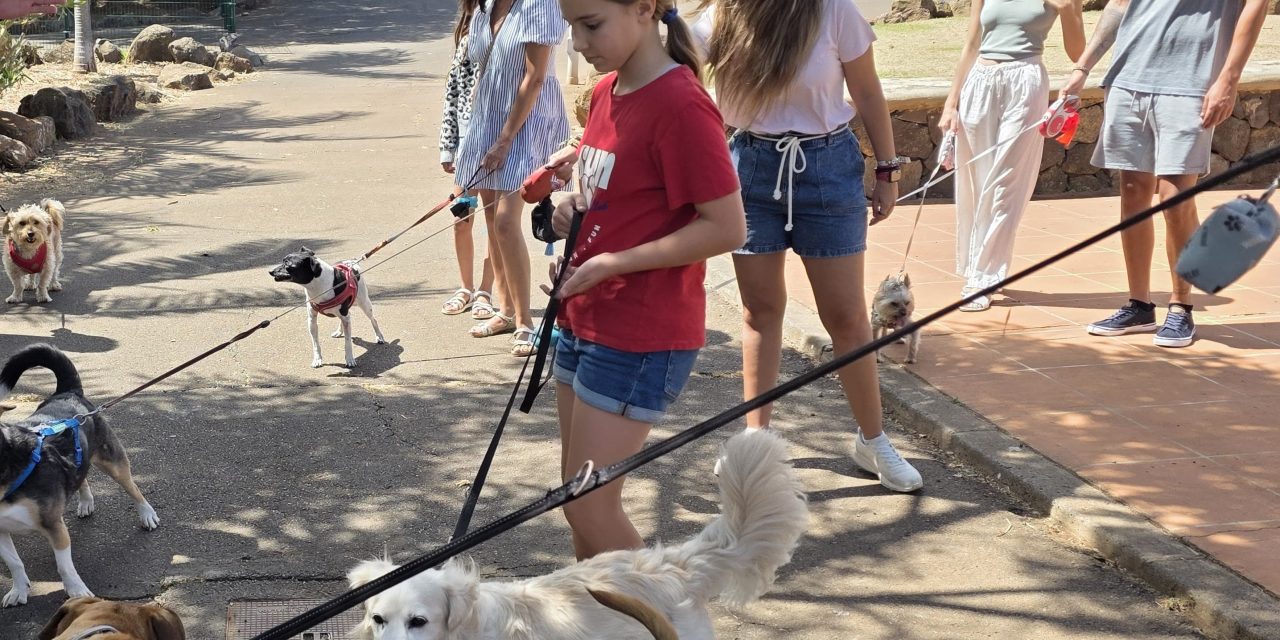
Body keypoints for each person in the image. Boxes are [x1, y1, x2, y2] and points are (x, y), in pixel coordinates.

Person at [544, 0, 746, 559]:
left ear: (643, 9)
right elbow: (614, 199)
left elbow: (726, 227)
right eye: (571, 27)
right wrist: (571, 213)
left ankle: (671, 606)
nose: (578, 43)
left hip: (639, 333)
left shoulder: (681, 104)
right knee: (580, 503)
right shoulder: (607, 92)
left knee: (588, 506)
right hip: (586, 319)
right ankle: (602, 607)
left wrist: (613, 263)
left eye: (591, 25)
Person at [693, 0, 922, 492]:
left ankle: (872, 439)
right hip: (750, 166)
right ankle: (756, 440)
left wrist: (888, 170)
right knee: (760, 311)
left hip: (827, 166)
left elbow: (866, 89)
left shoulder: (833, 10)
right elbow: (673, 71)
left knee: (847, 318)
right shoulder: (724, 14)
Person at [1062, 0, 1268, 347]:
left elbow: (1256, 6)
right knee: (1132, 192)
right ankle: (1139, 305)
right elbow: (1119, 6)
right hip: (1128, 78)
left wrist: (1229, 78)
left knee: (1175, 198)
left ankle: (1181, 305)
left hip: (1191, 84)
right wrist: (1082, 68)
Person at [940, 0, 1084, 312]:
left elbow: (1078, 54)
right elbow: (971, 44)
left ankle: (985, 277)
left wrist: (1068, 10)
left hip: (1025, 83)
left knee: (1005, 185)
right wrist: (951, 104)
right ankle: (977, 267)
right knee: (977, 182)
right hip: (979, 82)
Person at [455, 0, 571, 356]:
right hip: (486, 120)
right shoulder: (485, 6)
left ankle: (525, 322)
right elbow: (480, 70)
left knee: (506, 222)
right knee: (492, 220)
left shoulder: (538, 4)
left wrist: (505, 139)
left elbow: (535, 78)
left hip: (525, 124)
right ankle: (505, 310)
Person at [439, 0, 498, 320]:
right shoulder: (466, 34)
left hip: (497, 146)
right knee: (462, 216)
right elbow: (452, 92)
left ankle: (485, 291)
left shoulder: (510, 27)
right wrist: (447, 148)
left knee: (495, 223)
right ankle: (465, 287)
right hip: (466, 148)